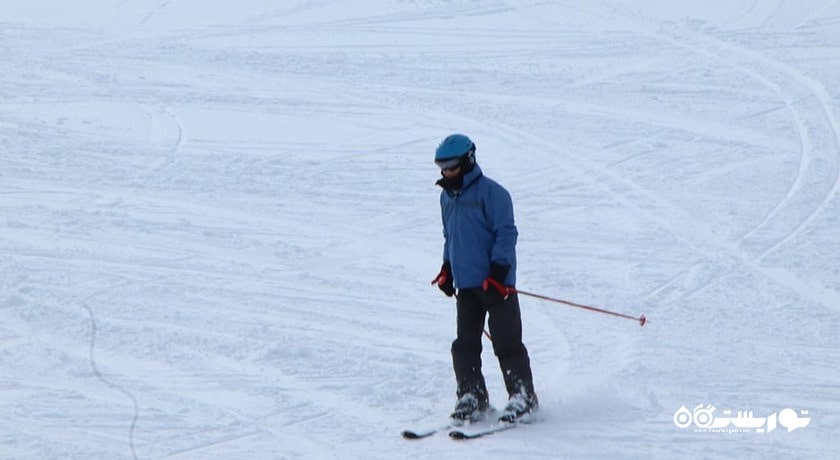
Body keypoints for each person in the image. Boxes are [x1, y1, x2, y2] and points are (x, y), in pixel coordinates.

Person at [431, 133, 538, 423]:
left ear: (468, 161)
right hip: (466, 286)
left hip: (496, 284)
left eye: (451, 166)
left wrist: (499, 272)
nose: (446, 173)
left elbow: (507, 233)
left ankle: (523, 396)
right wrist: (447, 268)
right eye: (442, 167)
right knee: (464, 345)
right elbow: (449, 236)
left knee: (506, 343)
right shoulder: (446, 198)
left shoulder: (494, 194)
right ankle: (472, 395)